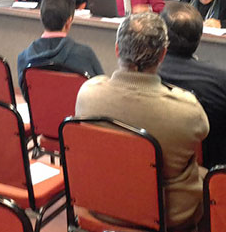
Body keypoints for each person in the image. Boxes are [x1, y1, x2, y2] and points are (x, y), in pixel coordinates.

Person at [75, 13, 208, 230]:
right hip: (166, 217)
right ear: (163, 54)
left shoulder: (87, 93)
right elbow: (203, 132)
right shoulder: (186, 109)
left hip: (100, 204)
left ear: (117, 49)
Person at [158, 2, 226, 168]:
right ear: (200, 37)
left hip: (157, 159)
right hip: (210, 165)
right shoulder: (219, 78)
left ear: (161, 35)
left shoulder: (145, 71)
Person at [17, 0, 103, 98]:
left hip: (41, 108)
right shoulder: (85, 55)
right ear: (69, 21)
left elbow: (27, 96)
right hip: (76, 108)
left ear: (41, 17)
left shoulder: (23, 58)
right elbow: (102, 91)